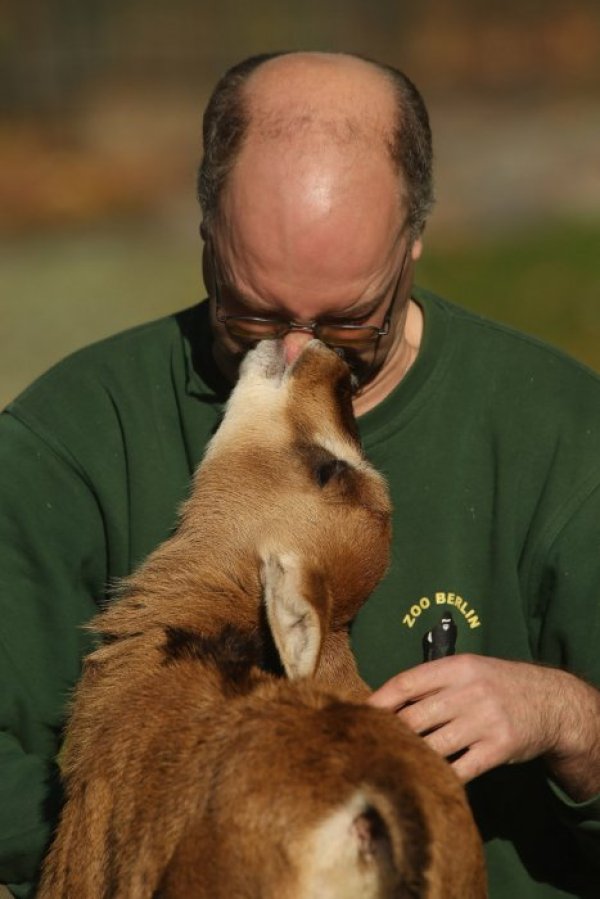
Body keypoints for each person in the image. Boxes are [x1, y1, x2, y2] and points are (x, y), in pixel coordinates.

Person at [0, 51, 599, 898]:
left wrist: (568, 715)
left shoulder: (569, 436)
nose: (295, 348)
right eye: (251, 312)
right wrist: (142, 828)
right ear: (205, 232)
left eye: (351, 321)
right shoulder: (71, 434)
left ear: (416, 237)